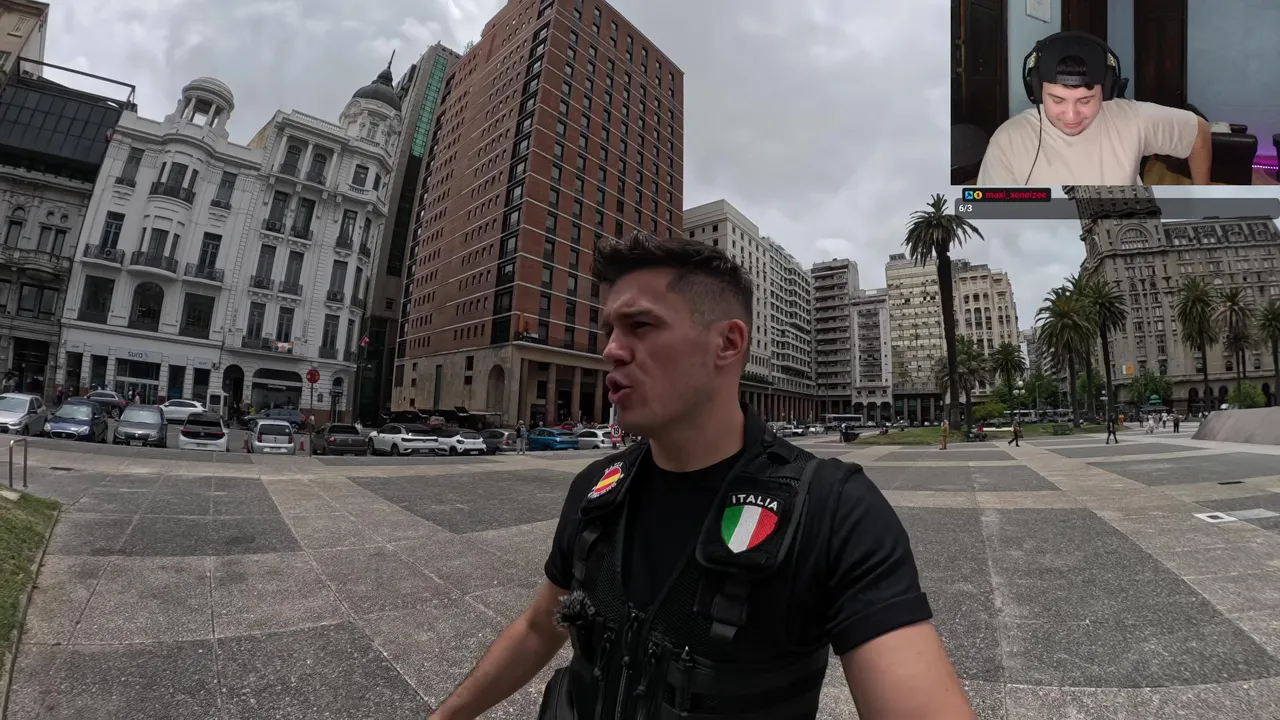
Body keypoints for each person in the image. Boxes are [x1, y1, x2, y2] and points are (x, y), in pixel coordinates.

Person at [428, 233, 972, 720]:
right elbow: (538, 626)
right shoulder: (597, 489)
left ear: (728, 343)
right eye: (608, 329)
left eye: (641, 325)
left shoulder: (833, 509)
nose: (611, 349)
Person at [977, 31, 1210, 186]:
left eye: (1086, 100)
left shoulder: (1132, 119)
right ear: (1036, 91)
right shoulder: (1008, 142)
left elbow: (1198, 131)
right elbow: (991, 223)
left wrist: (1203, 203)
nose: (1071, 116)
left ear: (1106, 91)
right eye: (1057, 100)